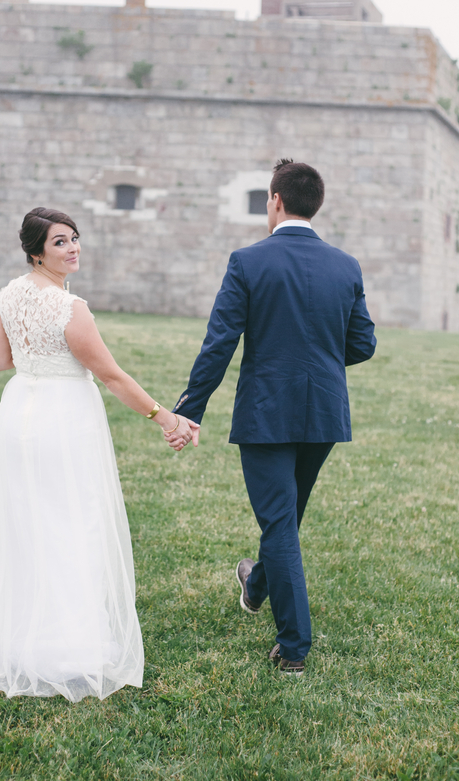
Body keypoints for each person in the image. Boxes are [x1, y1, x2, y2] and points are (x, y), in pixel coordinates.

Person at [0, 207, 198, 702]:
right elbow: (111, 376)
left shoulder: (8, 296)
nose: (72, 248)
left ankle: (25, 640)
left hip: (18, 414)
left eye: (74, 238)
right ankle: (68, 648)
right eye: (59, 242)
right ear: (36, 252)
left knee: (32, 525)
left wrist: (36, 354)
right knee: (73, 522)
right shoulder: (72, 309)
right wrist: (167, 419)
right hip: (62, 419)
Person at [172, 160, 376, 675]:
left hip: (266, 411)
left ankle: (294, 648)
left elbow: (219, 344)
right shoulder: (346, 265)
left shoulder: (247, 261)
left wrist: (189, 409)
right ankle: (256, 583)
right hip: (324, 410)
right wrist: (318, 363)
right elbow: (363, 344)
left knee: (281, 522)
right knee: (284, 518)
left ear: (276, 201)